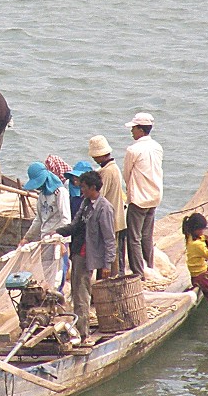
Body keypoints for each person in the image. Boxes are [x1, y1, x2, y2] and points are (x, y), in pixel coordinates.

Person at [54, 171, 116, 341]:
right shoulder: (86, 203)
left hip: (89, 257)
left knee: (82, 295)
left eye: (83, 187)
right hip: (78, 253)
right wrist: (58, 232)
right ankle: (78, 327)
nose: (81, 190)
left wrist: (107, 265)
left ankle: (83, 333)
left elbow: (110, 239)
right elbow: (75, 225)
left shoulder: (104, 208)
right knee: (76, 292)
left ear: (93, 188)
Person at [123, 112, 163, 280]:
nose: (132, 131)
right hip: (154, 196)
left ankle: (139, 273)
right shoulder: (157, 146)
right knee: (147, 235)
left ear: (140, 129)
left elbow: (126, 174)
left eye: (133, 128)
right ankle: (150, 266)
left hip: (139, 198)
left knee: (134, 238)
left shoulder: (133, 149)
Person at [89, 135, 128, 276]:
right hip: (118, 217)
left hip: (111, 220)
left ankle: (110, 282)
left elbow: (99, 196)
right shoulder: (114, 168)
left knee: (110, 255)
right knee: (115, 253)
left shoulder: (106, 172)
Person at [19, 162, 71, 246]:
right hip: (45, 239)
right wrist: (27, 238)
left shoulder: (60, 192)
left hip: (57, 240)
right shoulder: (42, 194)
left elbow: (66, 219)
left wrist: (62, 240)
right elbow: (39, 219)